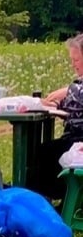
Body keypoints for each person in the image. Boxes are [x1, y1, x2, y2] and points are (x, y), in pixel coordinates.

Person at [36, 34, 83, 201]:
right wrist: (54, 104)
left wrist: (67, 90)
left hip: (79, 142)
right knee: (44, 151)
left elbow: (77, 95)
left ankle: (59, 200)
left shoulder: (77, 87)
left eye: (76, 60)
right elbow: (74, 105)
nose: (73, 65)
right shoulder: (78, 84)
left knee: (43, 154)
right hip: (76, 140)